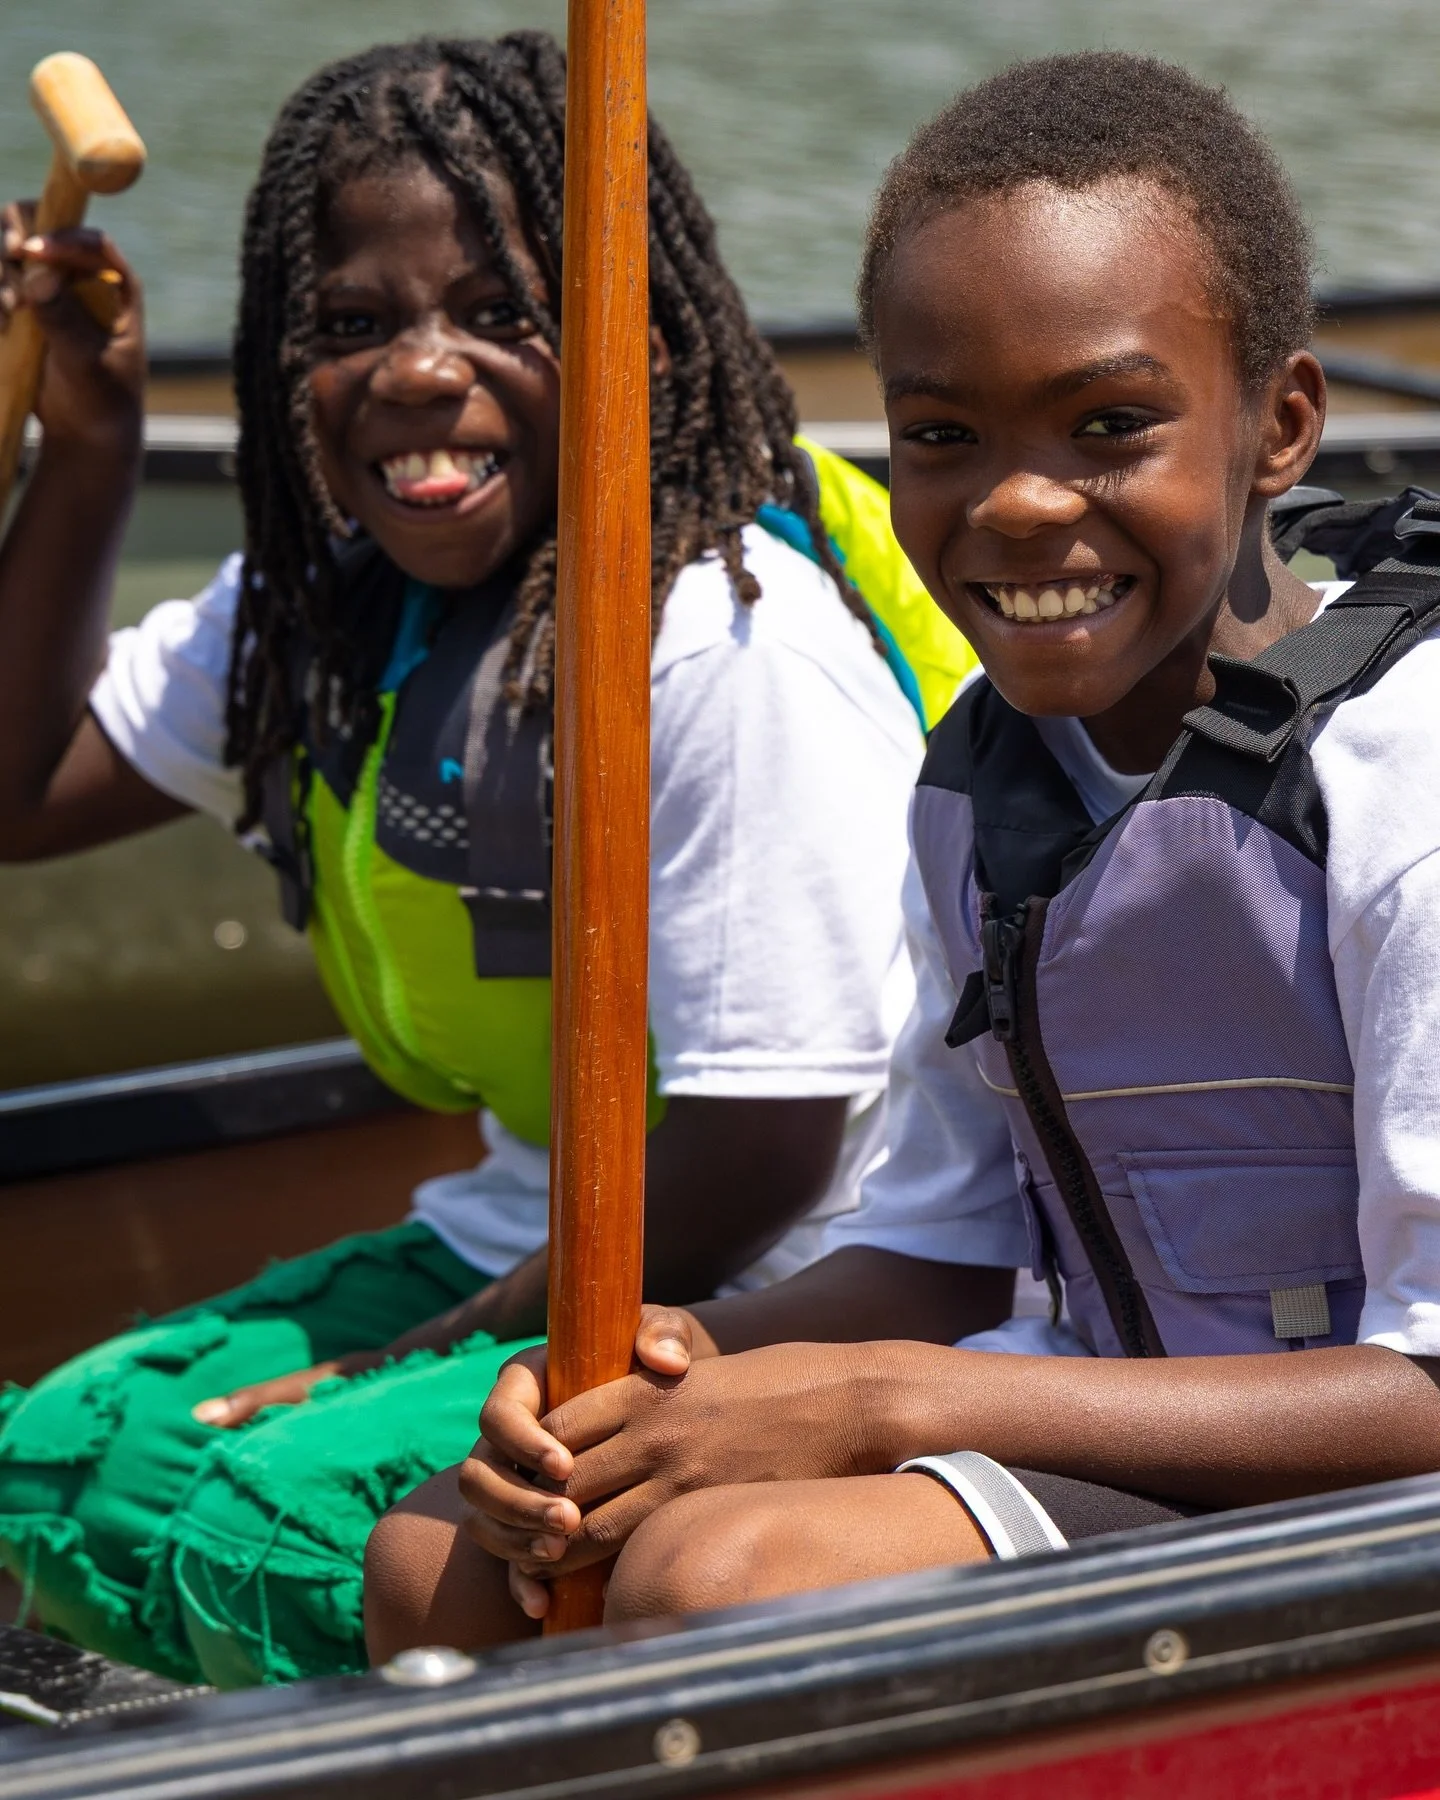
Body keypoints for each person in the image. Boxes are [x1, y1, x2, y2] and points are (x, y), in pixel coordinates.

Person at [363, 50, 1440, 1657]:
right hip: (1104, 1420)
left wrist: (867, 1404)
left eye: (1110, 424)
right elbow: (945, 1247)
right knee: (441, 1561)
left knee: (714, 1582)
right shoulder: (980, 784)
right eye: (940, 433)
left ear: (1281, 424)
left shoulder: (1397, 783)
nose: (1015, 504)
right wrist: (666, 1372)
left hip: (1370, 1491)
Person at [0, 33, 974, 1687]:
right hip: (519, 1226)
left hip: (796, 1275)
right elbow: (18, 796)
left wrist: (421, 1357)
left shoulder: (725, 645)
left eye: (503, 316)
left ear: (641, 344)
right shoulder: (330, 605)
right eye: (354, 326)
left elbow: (769, 1152)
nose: (419, 373)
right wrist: (86, 454)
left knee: (257, 1525)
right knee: (53, 1466)